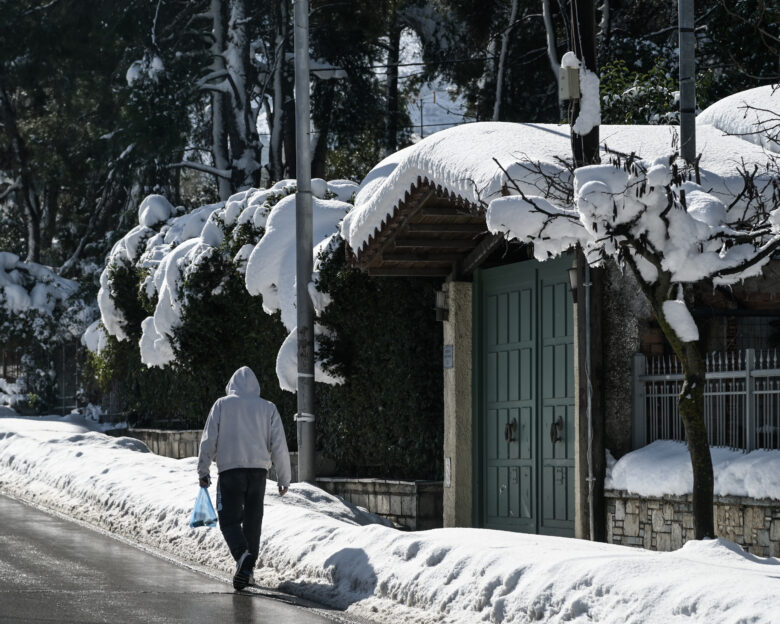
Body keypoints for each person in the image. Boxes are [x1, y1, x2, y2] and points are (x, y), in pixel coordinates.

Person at [197, 366, 291, 590]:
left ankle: (242, 556)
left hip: (230, 471)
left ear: (231, 385)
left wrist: (203, 470)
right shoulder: (268, 408)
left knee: (229, 520)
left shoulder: (222, 404)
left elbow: (209, 438)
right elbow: (279, 444)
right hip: (259, 473)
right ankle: (248, 571)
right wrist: (284, 478)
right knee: (252, 521)